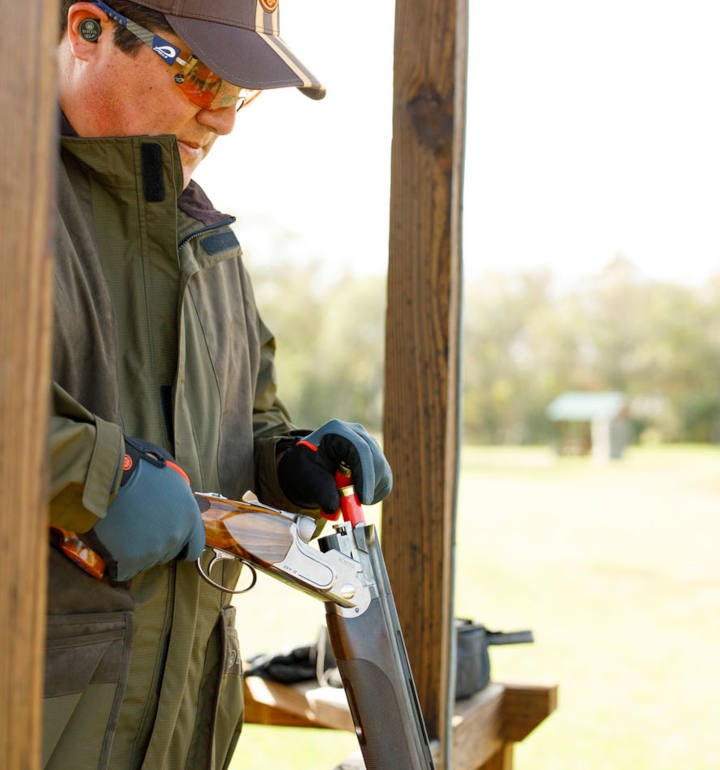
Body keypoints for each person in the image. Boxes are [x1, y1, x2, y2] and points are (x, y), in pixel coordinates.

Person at [47, 2, 393, 769]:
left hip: (184, 720)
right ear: (88, 30)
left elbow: (244, 417)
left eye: (239, 92)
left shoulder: (205, 235)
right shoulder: (14, 199)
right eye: (200, 73)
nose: (223, 118)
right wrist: (94, 478)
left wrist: (288, 457)